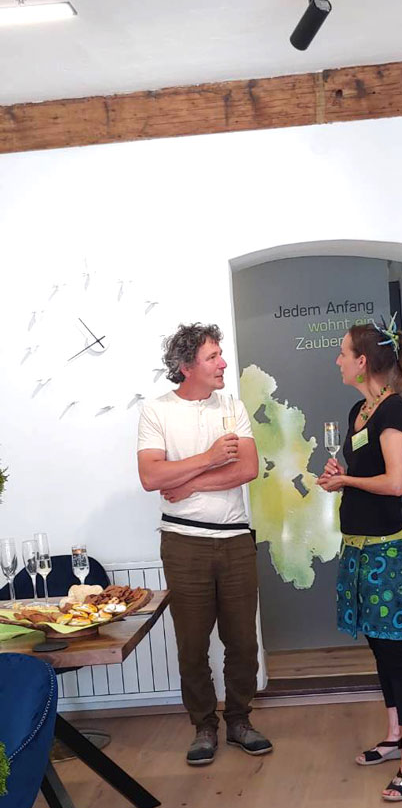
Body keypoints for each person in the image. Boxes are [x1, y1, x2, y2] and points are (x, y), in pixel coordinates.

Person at [137, 322, 272, 765]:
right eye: (212, 357)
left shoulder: (232, 406)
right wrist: (210, 458)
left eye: (220, 354)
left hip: (234, 541)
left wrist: (190, 481)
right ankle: (203, 726)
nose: (223, 364)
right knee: (192, 645)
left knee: (243, 643)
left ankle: (240, 720)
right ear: (186, 366)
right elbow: (151, 476)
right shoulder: (156, 411)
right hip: (183, 543)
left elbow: (247, 469)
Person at [317, 319, 402, 802]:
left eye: (343, 353)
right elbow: (368, 470)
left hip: (385, 550)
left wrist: (347, 482)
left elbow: (396, 482)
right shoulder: (359, 410)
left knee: (394, 651)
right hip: (358, 546)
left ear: (362, 362)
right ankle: (394, 736)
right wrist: (341, 473)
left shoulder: (393, 410)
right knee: (379, 646)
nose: (337, 360)